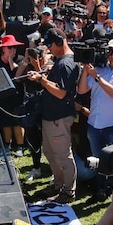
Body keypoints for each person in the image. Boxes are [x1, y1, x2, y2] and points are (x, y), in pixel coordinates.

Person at [27, 28, 81, 204]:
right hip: (50, 115)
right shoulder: (61, 61)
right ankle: (58, 184)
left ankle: (68, 191)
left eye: (50, 44)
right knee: (50, 152)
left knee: (63, 155)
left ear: (60, 42)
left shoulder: (66, 63)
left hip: (59, 116)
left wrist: (41, 80)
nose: (48, 49)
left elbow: (60, 92)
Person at [78, 37, 113, 200]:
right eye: (110, 51)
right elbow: (81, 90)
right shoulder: (100, 69)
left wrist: (95, 76)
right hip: (95, 124)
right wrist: (85, 69)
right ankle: (100, 190)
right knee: (98, 160)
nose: (112, 55)